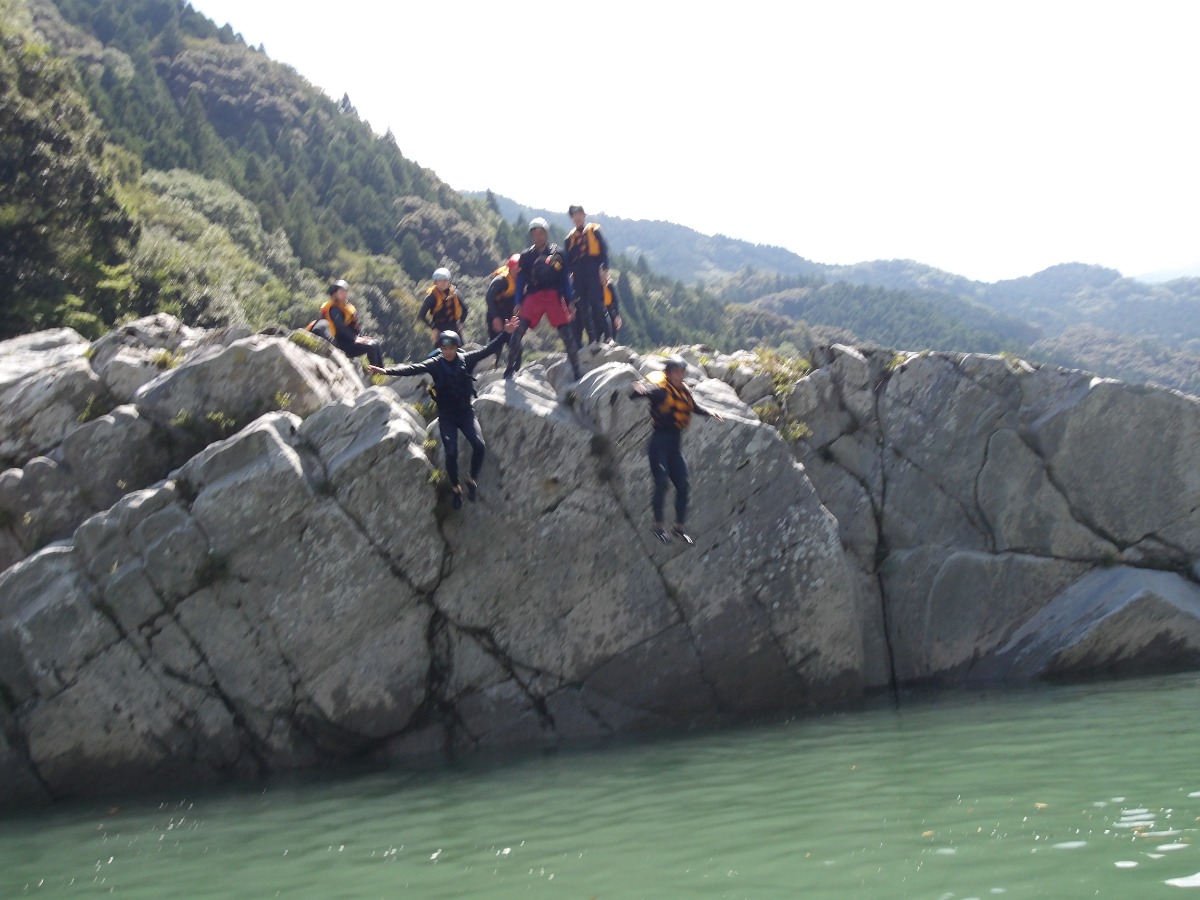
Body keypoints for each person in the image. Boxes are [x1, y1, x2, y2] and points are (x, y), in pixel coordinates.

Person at [368, 321, 517, 509]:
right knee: (451, 452)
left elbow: (488, 350)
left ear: (456, 348)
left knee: (479, 445)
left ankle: (472, 480)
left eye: (451, 348)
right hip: (447, 415)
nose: (447, 351)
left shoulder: (467, 360)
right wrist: (386, 371)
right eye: (444, 348)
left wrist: (505, 334)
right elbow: (413, 368)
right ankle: (456, 490)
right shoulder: (435, 364)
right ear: (441, 348)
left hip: (465, 412)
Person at [628, 355, 722, 544]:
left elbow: (693, 407)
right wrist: (637, 389)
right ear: (668, 374)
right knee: (661, 482)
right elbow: (637, 394)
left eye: (682, 372)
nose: (680, 375)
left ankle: (679, 528)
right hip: (659, 444)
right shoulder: (661, 392)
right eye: (676, 372)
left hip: (674, 447)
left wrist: (709, 412)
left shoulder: (684, 391)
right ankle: (658, 526)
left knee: (683, 485)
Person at [505, 217, 582, 381]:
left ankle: (577, 371)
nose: (538, 237)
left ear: (546, 234)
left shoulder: (558, 253)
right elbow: (521, 280)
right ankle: (509, 368)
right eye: (535, 233)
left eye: (541, 233)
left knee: (567, 334)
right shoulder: (526, 256)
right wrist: (518, 301)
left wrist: (570, 301)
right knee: (518, 331)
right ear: (531, 236)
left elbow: (565, 280)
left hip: (554, 295)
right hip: (534, 295)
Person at [307, 279, 384, 367]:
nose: (345, 294)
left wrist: (360, 337)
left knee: (375, 343)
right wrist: (355, 338)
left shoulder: (345, 308)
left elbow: (353, 327)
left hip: (347, 342)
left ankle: (382, 371)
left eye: (345, 291)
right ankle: (377, 373)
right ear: (334, 295)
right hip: (340, 345)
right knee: (371, 346)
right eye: (341, 292)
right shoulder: (334, 309)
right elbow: (340, 328)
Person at [564, 204, 610, 348]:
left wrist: (604, 270)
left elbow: (604, 251)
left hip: (593, 269)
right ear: (572, 218)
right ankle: (592, 339)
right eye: (574, 215)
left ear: (584, 215)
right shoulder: (569, 239)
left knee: (598, 303)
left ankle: (609, 337)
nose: (577, 217)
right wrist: (569, 276)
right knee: (583, 308)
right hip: (578, 274)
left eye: (579, 214)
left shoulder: (595, 231)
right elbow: (567, 261)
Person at [483, 253, 520, 364]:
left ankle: (515, 372)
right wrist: (495, 317)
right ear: (511, 268)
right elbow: (489, 296)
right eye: (517, 268)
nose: (519, 270)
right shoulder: (501, 280)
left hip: (509, 316)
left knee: (516, 345)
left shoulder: (521, 279)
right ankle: (489, 371)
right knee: (495, 347)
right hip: (496, 315)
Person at [418, 267, 468, 348]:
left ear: (449, 281)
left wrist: (461, 323)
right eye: (440, 280)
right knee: (439, 353)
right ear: (436, 282)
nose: (443, 283)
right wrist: (433, 328)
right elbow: (421, 315)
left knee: (462, 351)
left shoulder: (455, 293)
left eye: (445, 280)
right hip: (439, 328)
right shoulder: (432, 296)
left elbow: (465, 309)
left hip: (454, 326)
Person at [601, 274, 623, 344]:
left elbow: (616, 300)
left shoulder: (610, 285)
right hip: (599, 309)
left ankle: (611, 341)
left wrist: (617, 315)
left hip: (609, 307)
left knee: (614, 323)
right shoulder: (595, 284)